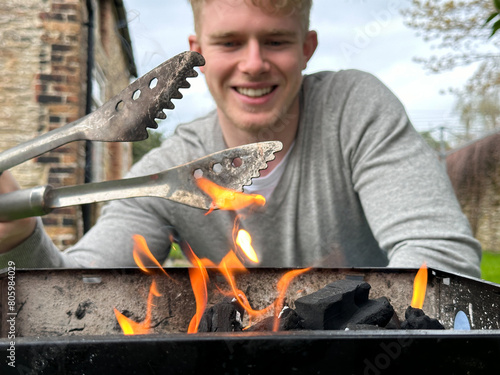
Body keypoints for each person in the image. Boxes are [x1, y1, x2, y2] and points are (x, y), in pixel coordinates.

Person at [0, 0, 481, 277]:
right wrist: (17, 239)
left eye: (275, 40)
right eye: (229, 42)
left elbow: (440, 259)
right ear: (197, 52)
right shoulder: (163, 172)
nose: (253, 63)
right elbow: (78, 291)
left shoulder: (354, 110)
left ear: (307, 47)